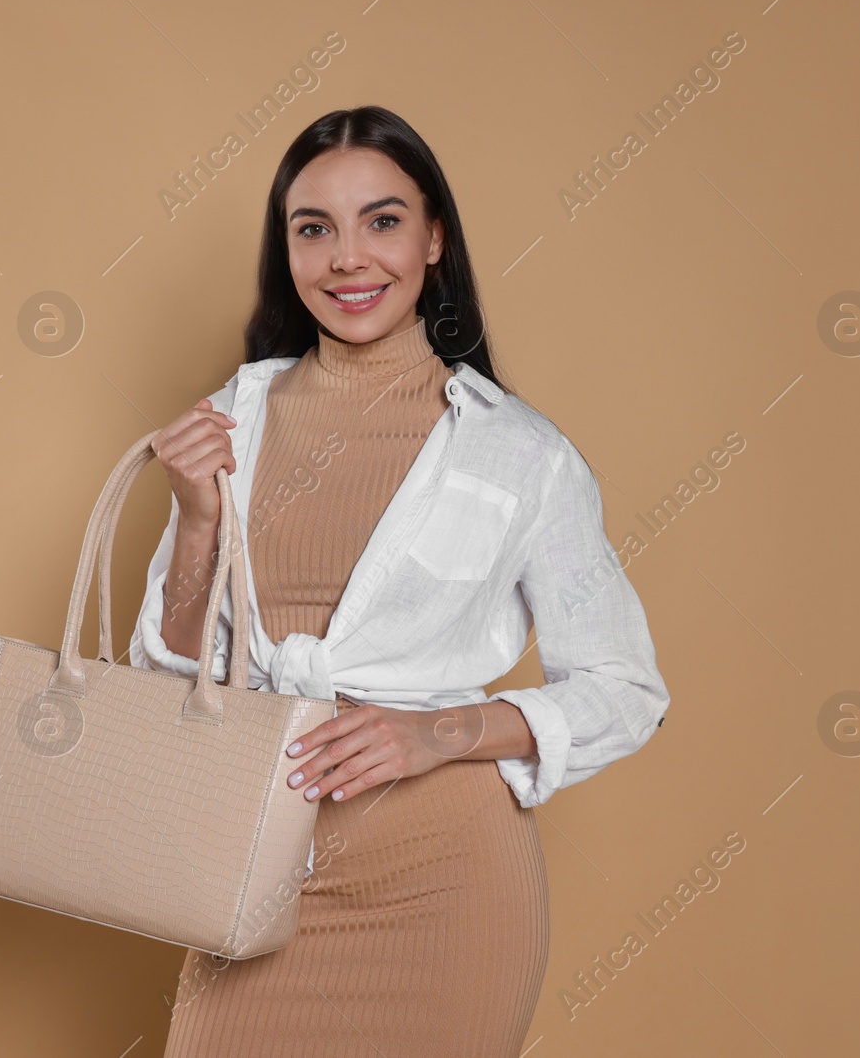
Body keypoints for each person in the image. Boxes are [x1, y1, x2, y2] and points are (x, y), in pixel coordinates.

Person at [129, 105, 670, 1058]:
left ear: (433, 239)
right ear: (287, 250)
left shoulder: (520, 455)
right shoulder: (231, 422)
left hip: (448, 887)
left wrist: (434, 732)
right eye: (314, 228)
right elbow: (168, 671)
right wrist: (200, 521)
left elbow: (625, 692)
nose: (348, 258)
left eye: (381, 221)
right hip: (254, 867)